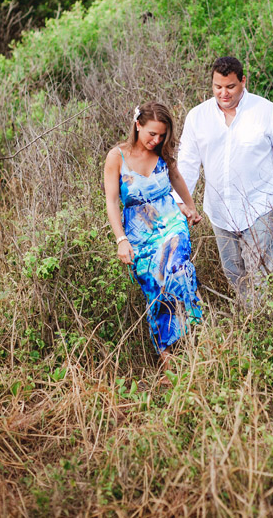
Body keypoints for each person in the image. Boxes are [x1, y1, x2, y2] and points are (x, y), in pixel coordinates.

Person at [175, 56, 273, 309]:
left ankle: (265, 322)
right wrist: (182, 203)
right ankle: (252, 316)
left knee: (261, 271)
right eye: (217, 87)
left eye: (230, 87)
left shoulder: (266, 111)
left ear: (243, 81)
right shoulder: (197, 117)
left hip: (259, 204)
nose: (223, 93)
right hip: (219, 208)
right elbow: (187, 164)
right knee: (233, 270)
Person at [103, 102, 204, 366]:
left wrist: (190, 207)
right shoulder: (117, 157)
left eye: (162, 135)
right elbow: (112, 202)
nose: (156, 140)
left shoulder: (162, 153)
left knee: (177, 269)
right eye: (152, 134)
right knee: (156, 284)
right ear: (138, 125)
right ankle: (166, 352)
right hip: (138, 233)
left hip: (170, 221)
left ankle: (195, 335)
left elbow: (177, 178)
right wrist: (121, 240)